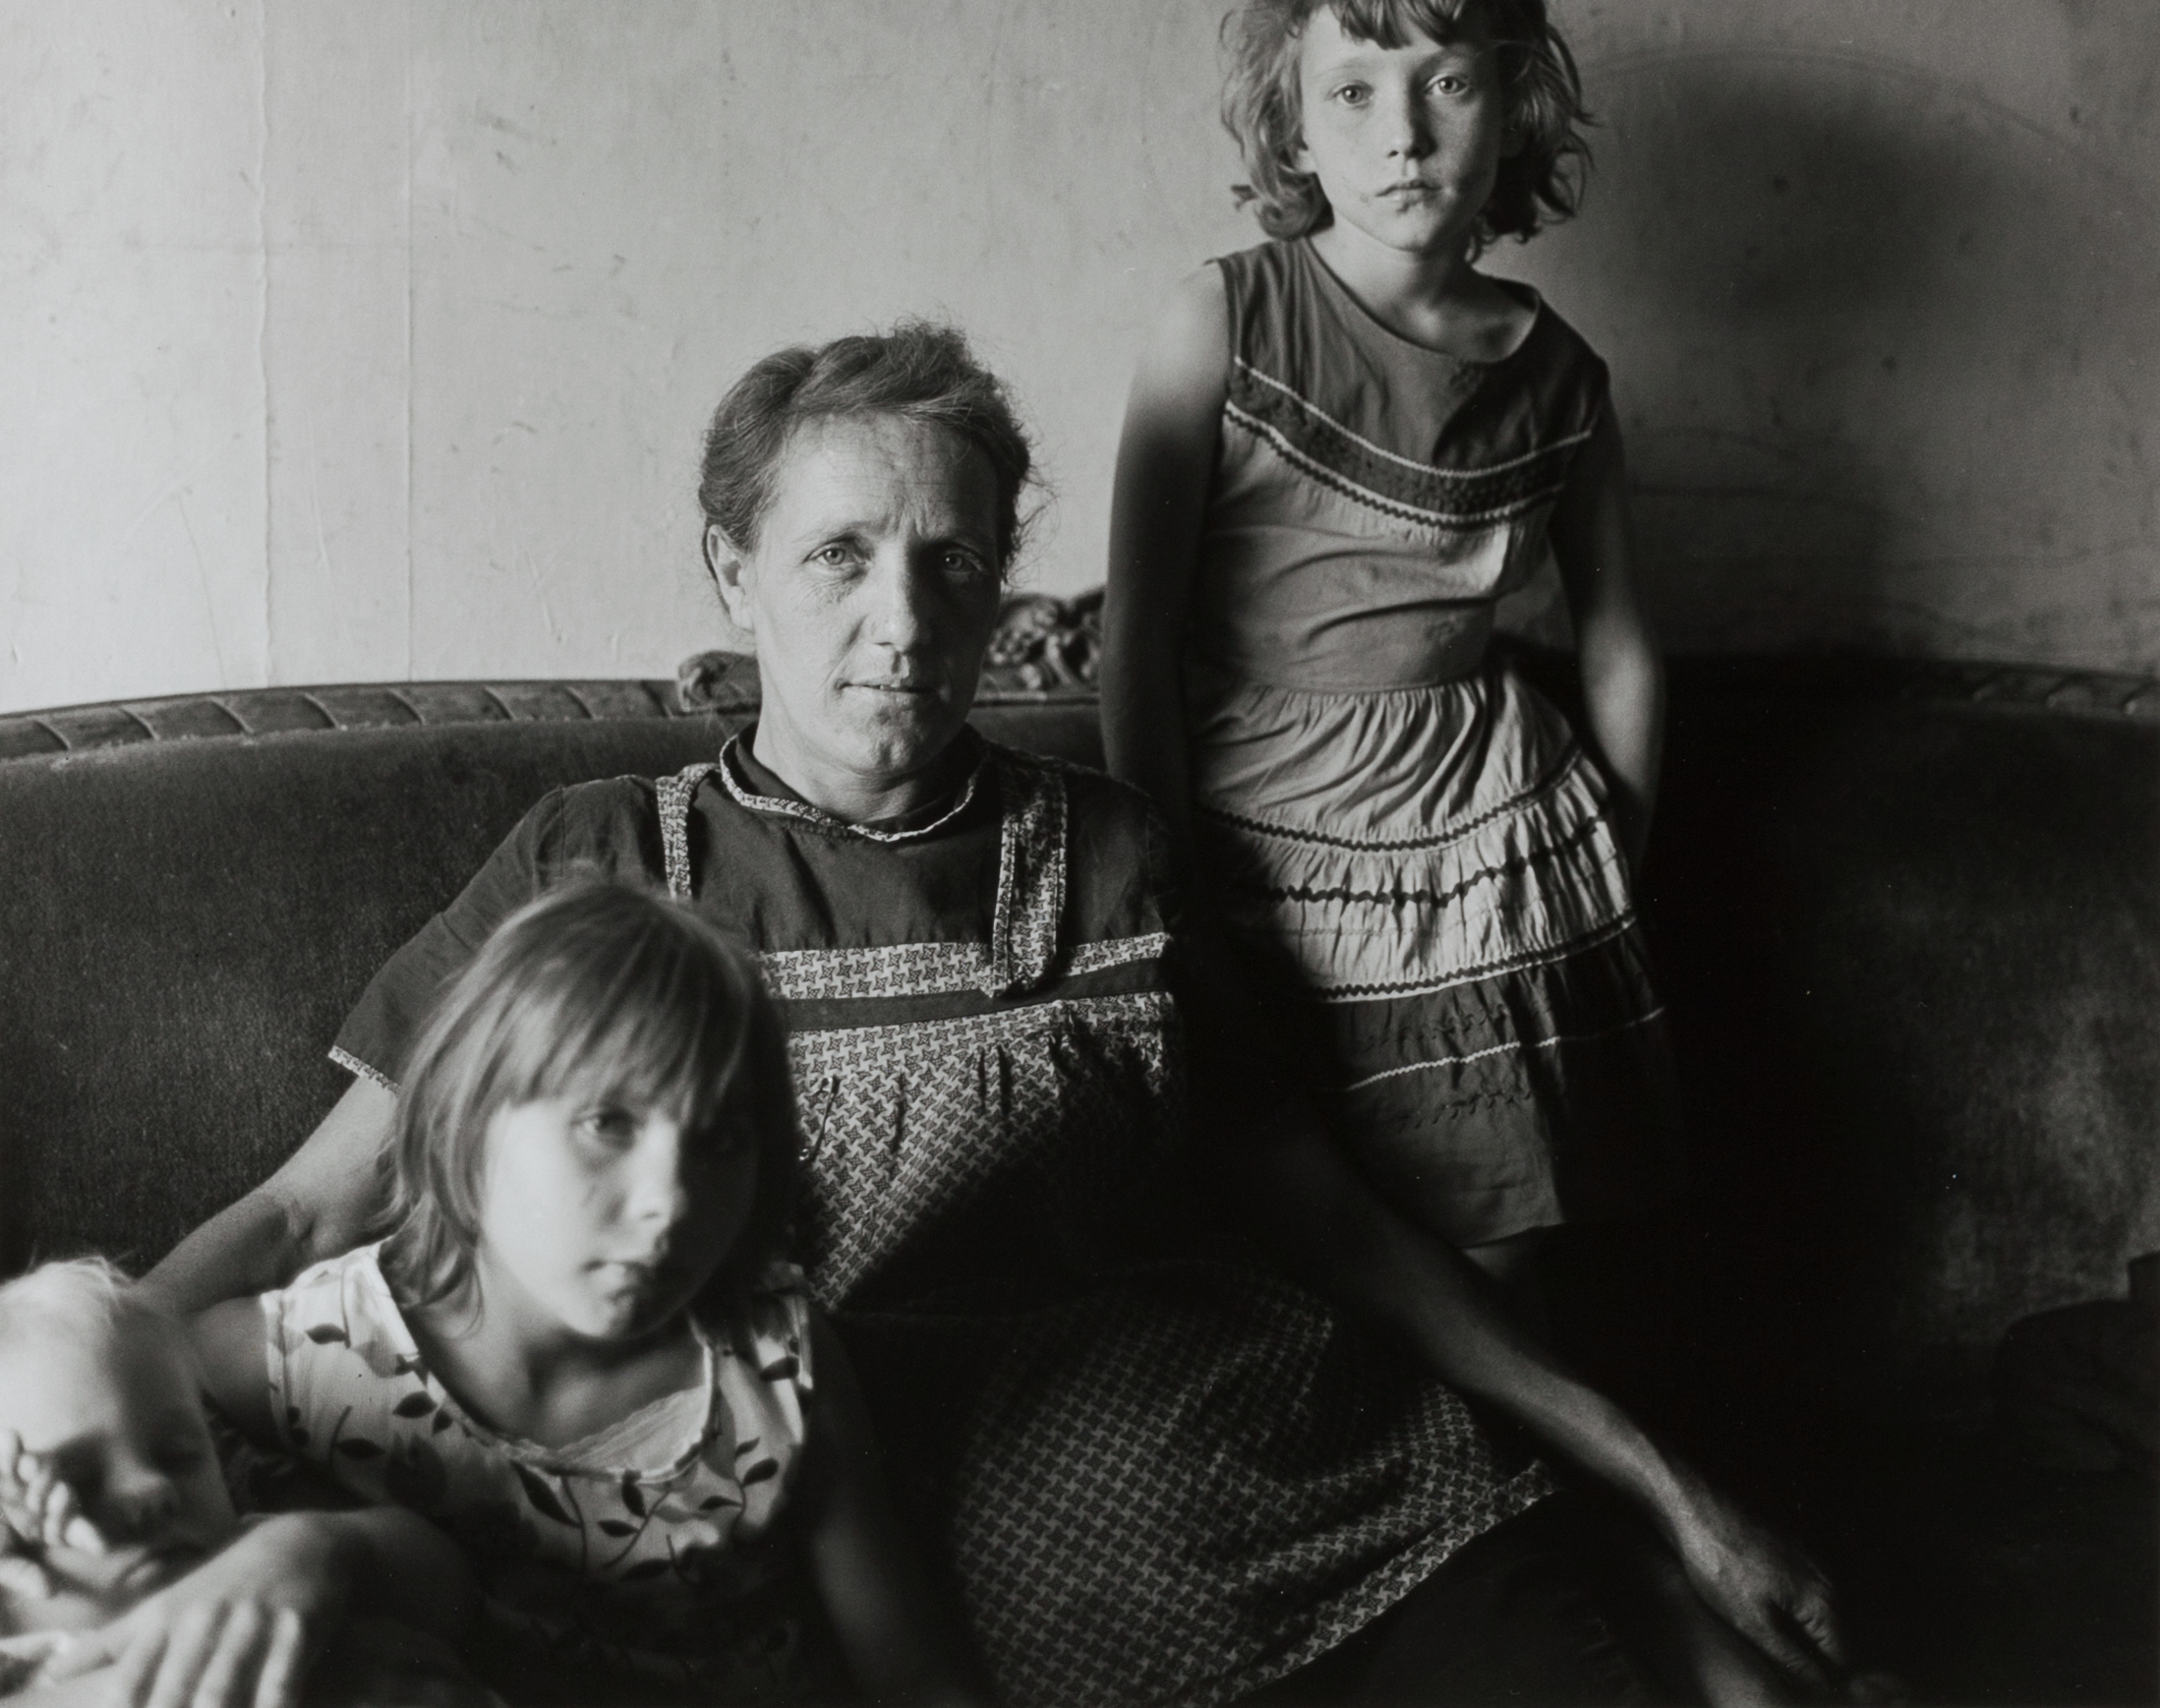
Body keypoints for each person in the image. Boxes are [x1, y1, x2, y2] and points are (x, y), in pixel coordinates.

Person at [147, 324, 1865, 1706]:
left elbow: (1334, 1224)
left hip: (1293, 1459)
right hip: (948, 1535)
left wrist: (1665, 1484)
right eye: (837, 558)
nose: (901, 625)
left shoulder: (1111, 849)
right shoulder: (605, 858)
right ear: (730, 573)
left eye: (951, 563)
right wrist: (66, 1378)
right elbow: (319, 1206)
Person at [1103, 0, 1679, 1325]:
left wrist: (1613, 837)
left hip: (1480, 821)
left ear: (1515, 108)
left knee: (1497, 1222)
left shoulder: (1560, 375)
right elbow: (1138, 631)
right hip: (1260, 804)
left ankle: (1499, 1497)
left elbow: (1614, 635)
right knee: (1285, 1209)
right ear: (1295, 135)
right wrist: (1162, 866)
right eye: (1352, 91)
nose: (1401, 133)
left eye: (1449, 81)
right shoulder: (1225, 318)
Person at [186, 880, 981, 1707]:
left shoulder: (776, 1357)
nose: (669, 1201)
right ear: (469, 1120)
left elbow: (917, 1676)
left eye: (720, 1141)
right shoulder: (301, 1357)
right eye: (608, 1123)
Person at [0, 1259, 485, 1707]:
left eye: (178, 1456)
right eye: (80, 1483)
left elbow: (452, 1587)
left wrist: (325, 1544)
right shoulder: (19, 1666)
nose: (150, 1486)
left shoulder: (257, 1558)